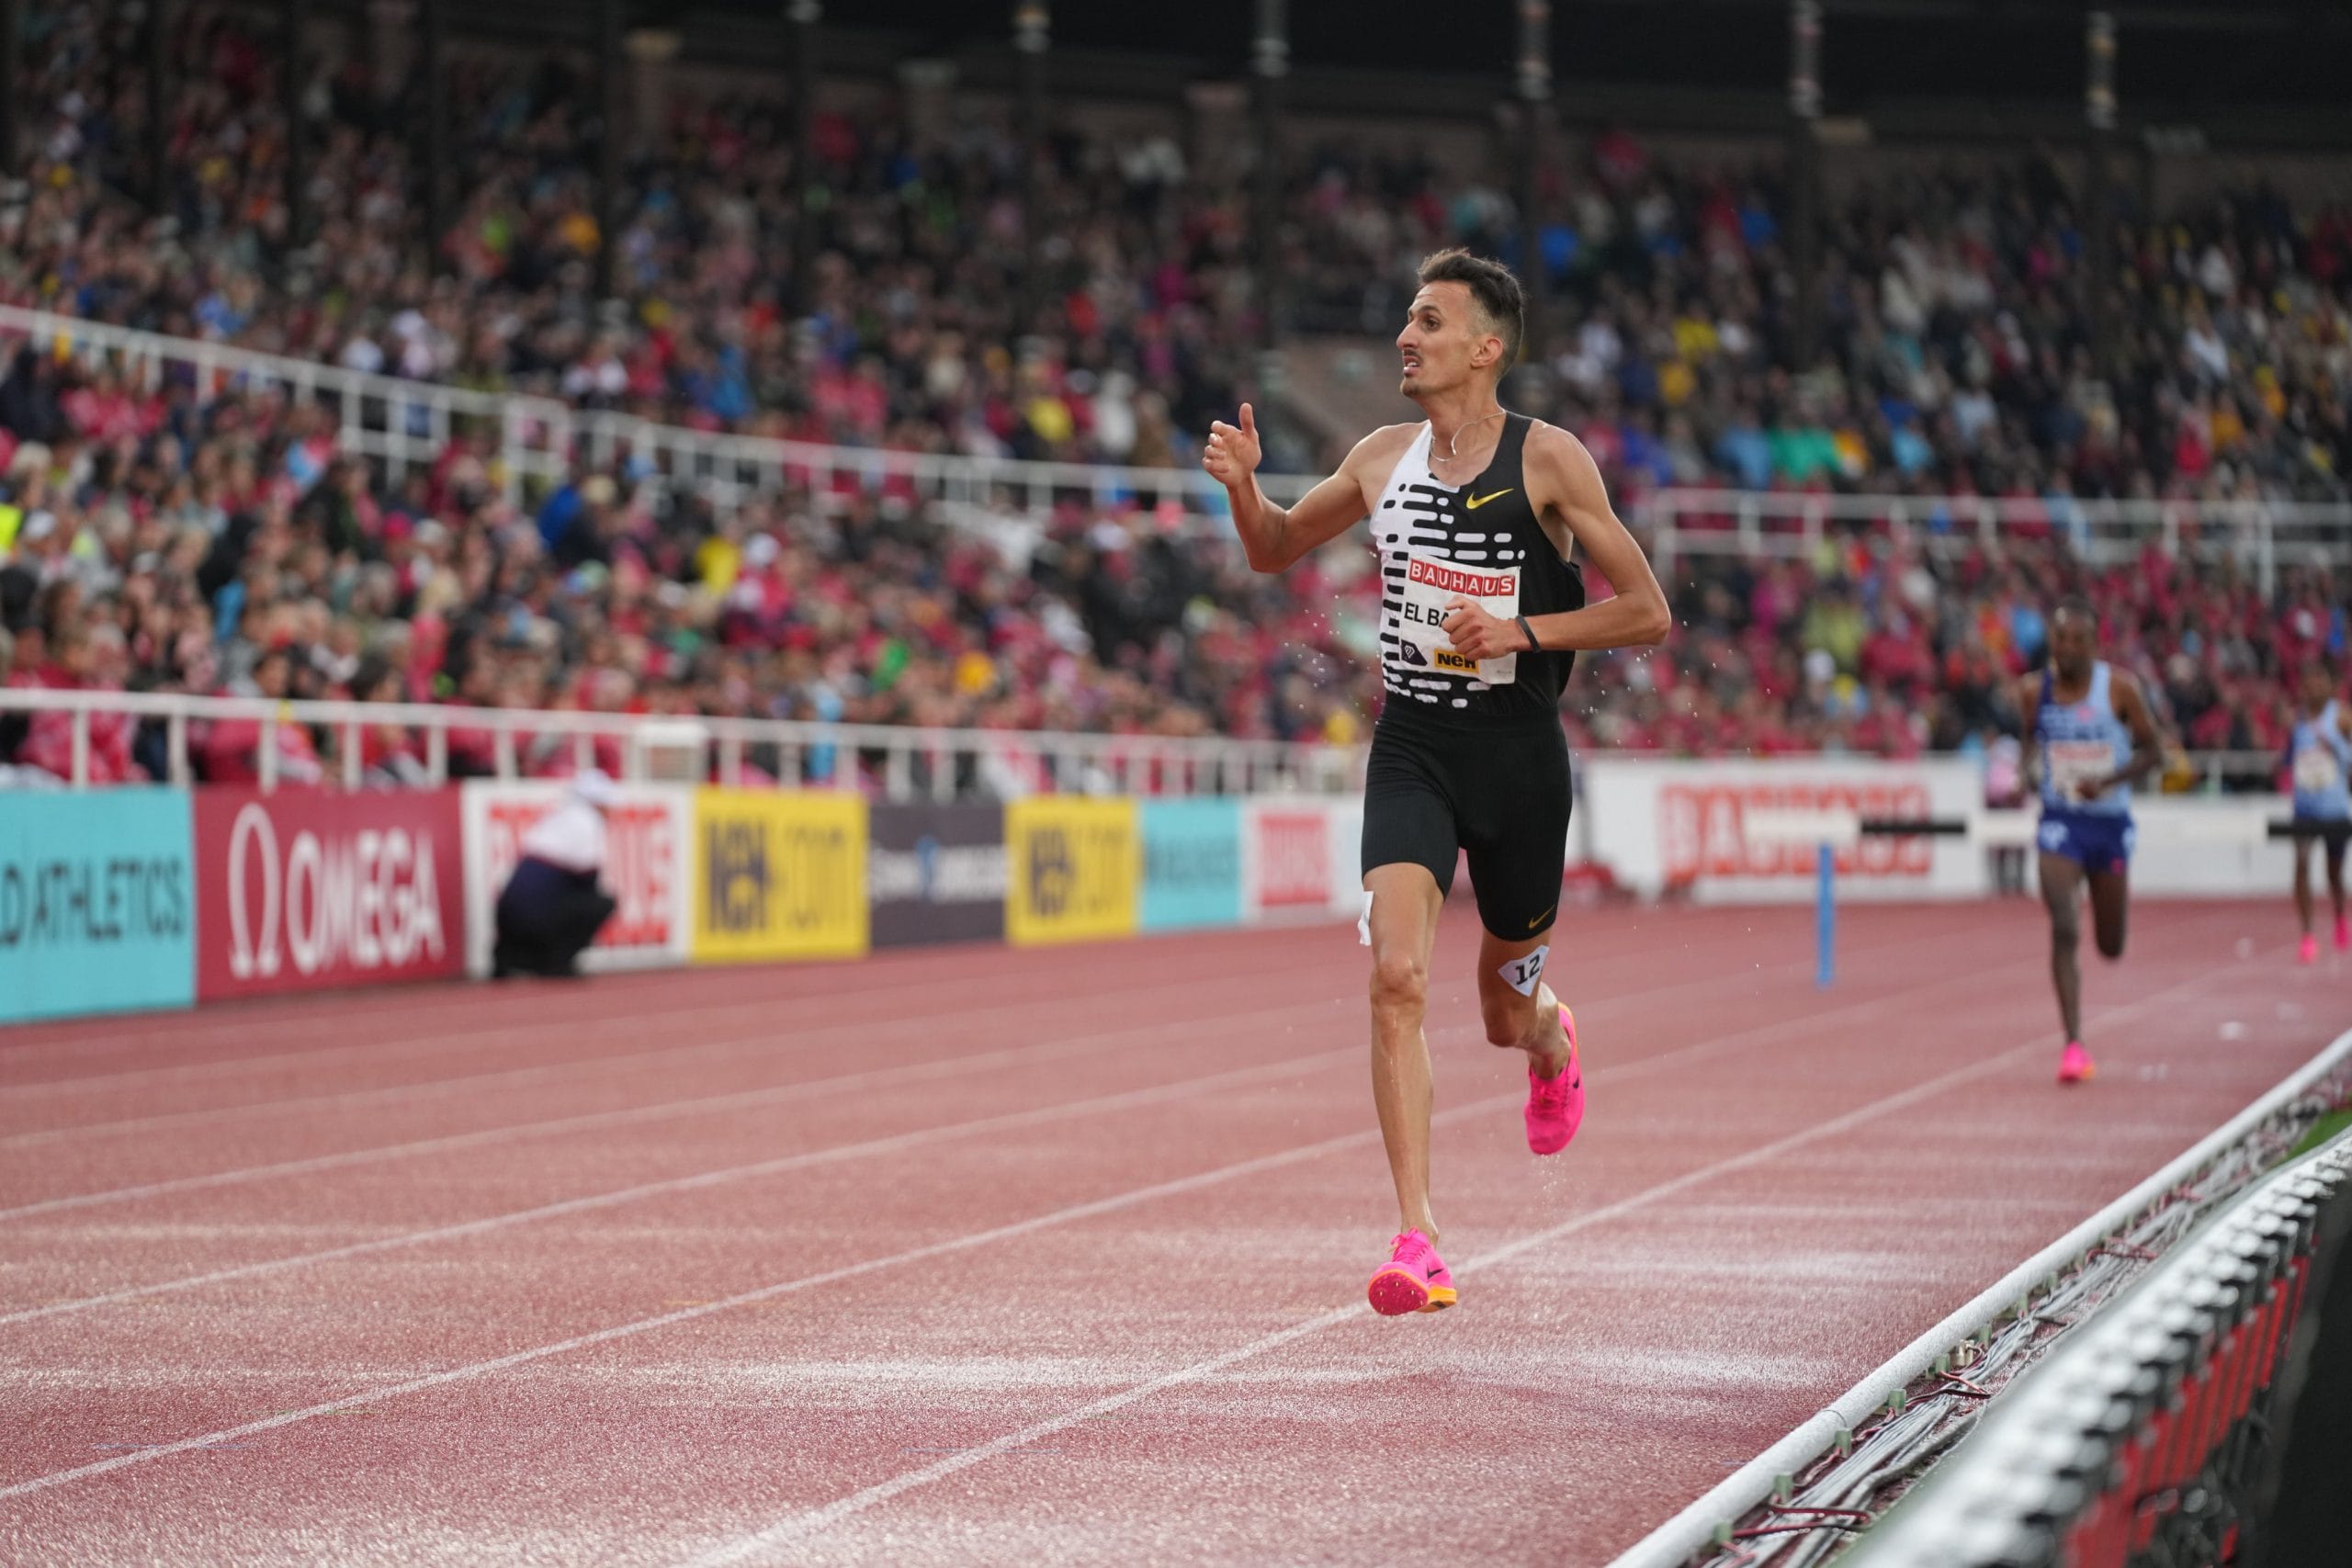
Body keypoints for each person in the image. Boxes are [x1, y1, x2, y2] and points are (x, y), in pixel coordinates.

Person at [1202, 248, 1669, 1315]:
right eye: (1406, 320)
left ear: (1484, 347)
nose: (1404, 339)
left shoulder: (1549, 462)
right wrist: (1244, 494)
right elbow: (1276, 549)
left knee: (1500, 1016)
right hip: (1412, 748)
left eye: (1427, 321)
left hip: (1520, 763)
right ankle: (1418, 1238)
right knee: (1396, 979)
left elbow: (1645, 611)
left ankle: (1550, 1034)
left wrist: (1523, 628)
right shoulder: (1377, 457)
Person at [2017, 602, 2164, 1086]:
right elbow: (2028, 750)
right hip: (2061, 822)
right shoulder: (2032, 692)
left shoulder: (2120, 689)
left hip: (2108, 825)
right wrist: (2025, 775)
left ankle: (2106, 920)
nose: (2069, 649)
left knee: (2110, 944)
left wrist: (2109, 779)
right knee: (2063, 924)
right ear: (2052, 643)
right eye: (2061, 640)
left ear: (2094, 644)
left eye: (2079, 640)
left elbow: (2155, 752)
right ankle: (2073, 1043)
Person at [493, 769, 622, 978]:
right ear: (597, 803)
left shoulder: (557, 815)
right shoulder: (588, 822)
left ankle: (510, 958)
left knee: (550, 898)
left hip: (506, 916)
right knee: (601, 903)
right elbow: (588, 880)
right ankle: (556, 962)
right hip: (535, 918)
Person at [2286, 660, 2352, 964]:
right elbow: (2290, 756)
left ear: (2328, 686)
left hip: (2335, 809)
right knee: (2300, 866)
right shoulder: (2297, 718)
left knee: (2333, 873)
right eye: (2307, 682)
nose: (2311, 687)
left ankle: (2340, 917)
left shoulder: (2341, 717)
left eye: (2317, 682)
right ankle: (2307, 934)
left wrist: (2336, 748)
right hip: (2305, 809)